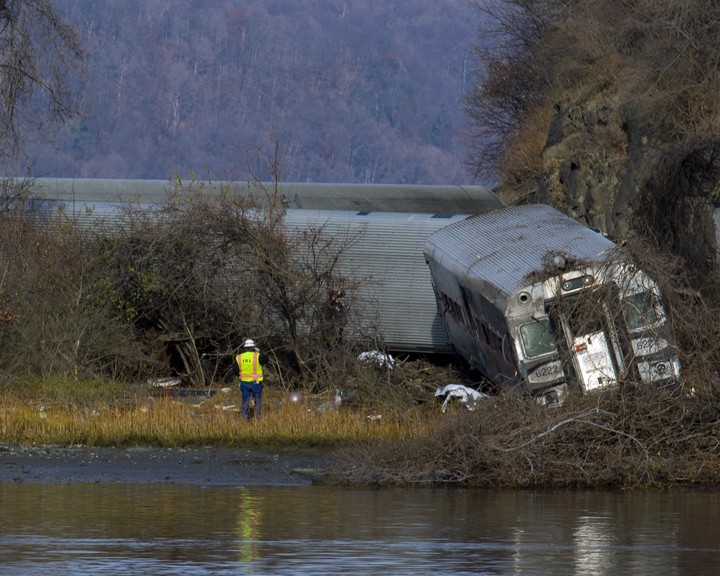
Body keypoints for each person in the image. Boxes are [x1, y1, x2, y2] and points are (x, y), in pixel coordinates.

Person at [225, 338, 269, 419]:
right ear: (253, 347)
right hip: (256, 383)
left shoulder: (239, 357)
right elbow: (266, 359)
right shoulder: (258, 356)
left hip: (244, 383)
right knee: (257, 401)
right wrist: (259, 351)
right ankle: (258, 417)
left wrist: (241, 375)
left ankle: (245, 417)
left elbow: (235, 370)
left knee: (245, 401)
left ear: (245, 348)